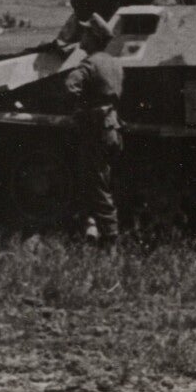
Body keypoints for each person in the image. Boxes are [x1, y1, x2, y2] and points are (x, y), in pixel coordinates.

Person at [62, 14, 125, 245]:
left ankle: (110, 241)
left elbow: (71, 85)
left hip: (96, 130)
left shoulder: (89, 63)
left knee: (97, 187)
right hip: (113, 129)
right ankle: (93, 231)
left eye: (87, 32)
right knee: (103, 182)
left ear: (94, 37)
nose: (82, 36)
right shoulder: (115, 63)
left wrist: (81, 109)